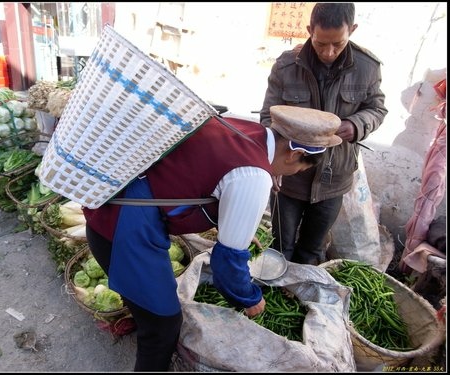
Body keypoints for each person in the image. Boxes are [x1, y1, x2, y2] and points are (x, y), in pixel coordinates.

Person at [82, 105, 342, 371]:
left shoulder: (240, 127)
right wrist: (249, 298)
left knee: (151, 311)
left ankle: (144, 315)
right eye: (298, 171)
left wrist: (237, 229)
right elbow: (226, 266)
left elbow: (206, 178)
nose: (289, 177)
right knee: (163, 327)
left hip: (118, 204)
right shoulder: (254, 175)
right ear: (294, 154)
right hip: (124, 228)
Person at [259, 3, 388, 266]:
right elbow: (267, 117)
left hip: (334, 179)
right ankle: (272, 293)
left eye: (338, 44)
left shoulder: (367, 67)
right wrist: (272, 164)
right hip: (290, 179)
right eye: (320, 44)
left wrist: (355, 125)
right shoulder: (286, 66)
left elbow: (376, 109)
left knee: (313, 250)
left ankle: (303, 298)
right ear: (309, 31)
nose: (328, 52)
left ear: (352, 30)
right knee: (281, 246)